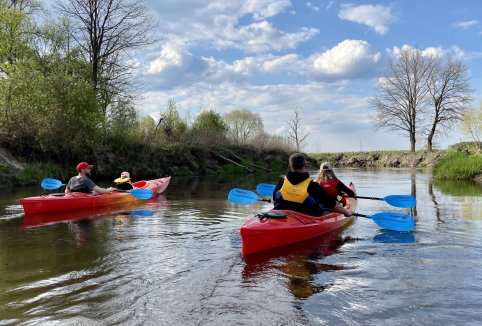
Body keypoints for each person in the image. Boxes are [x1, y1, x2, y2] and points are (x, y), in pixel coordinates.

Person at [272, 153, 353, 217]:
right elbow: (333, 205)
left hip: (282, 214)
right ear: (306, 166)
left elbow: (274, 200)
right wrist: (347, 212)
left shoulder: (282, 181)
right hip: (305, 218)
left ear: (289, 167)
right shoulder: (313, 186)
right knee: (325, 210)